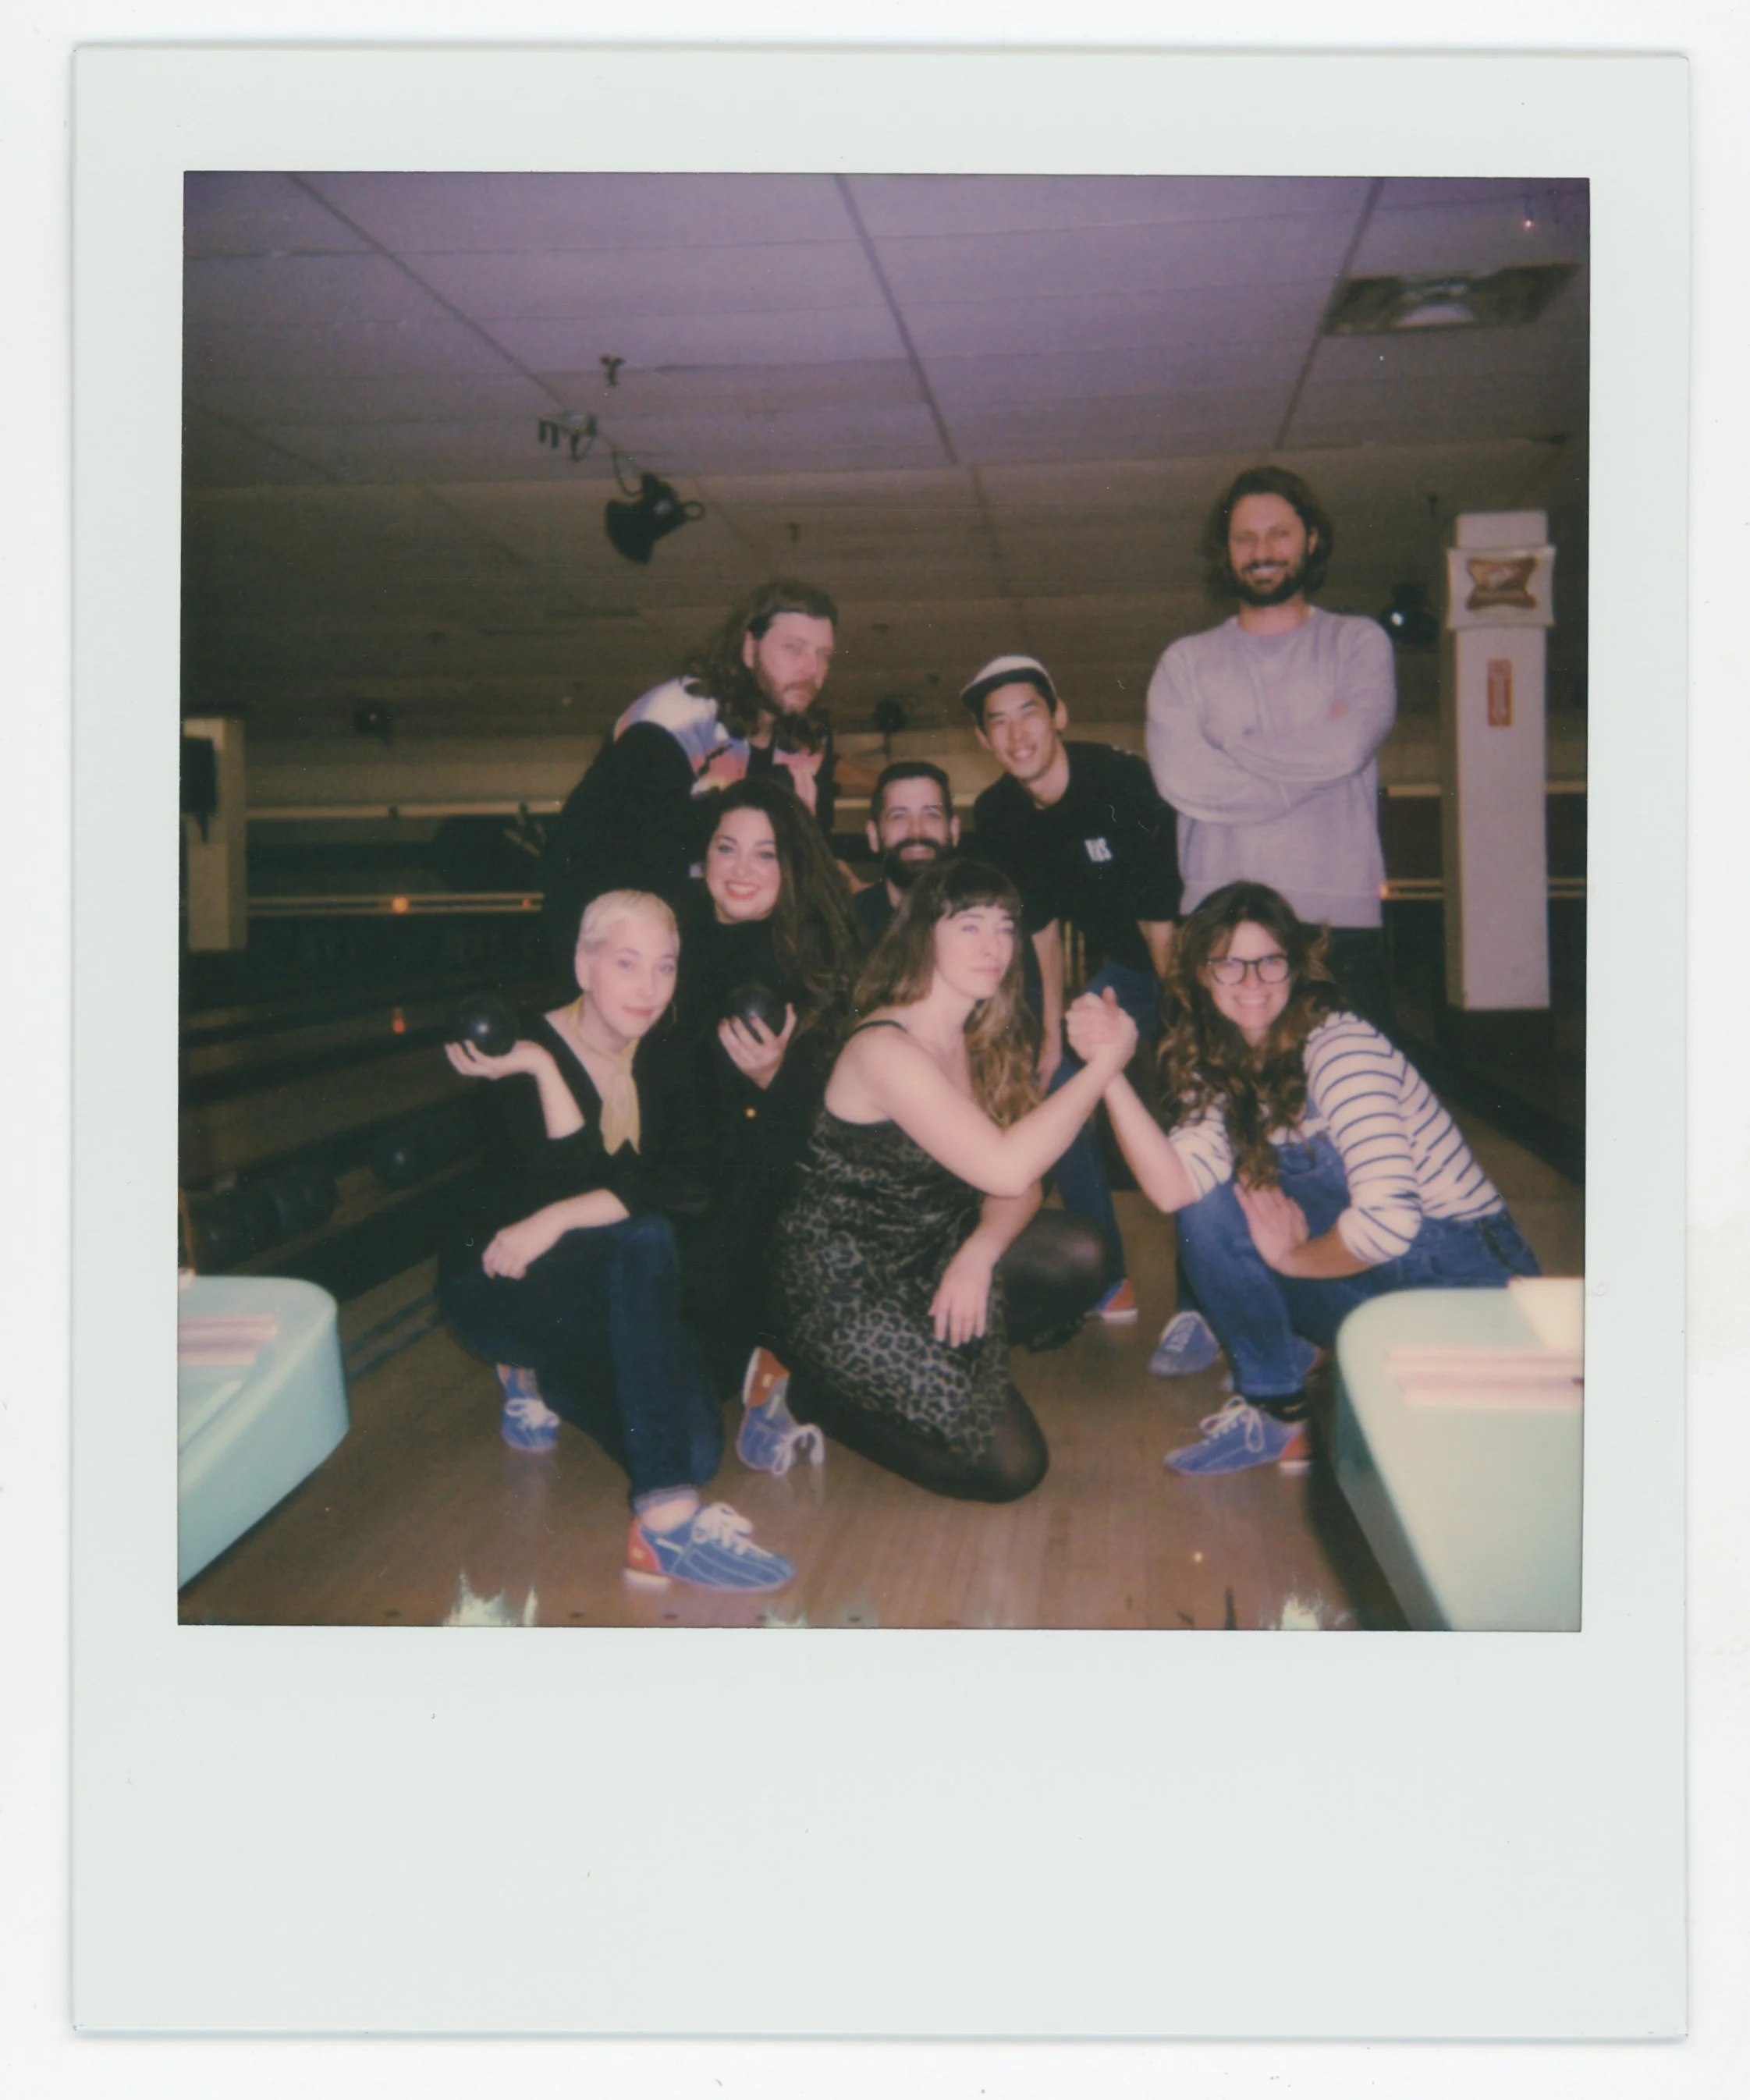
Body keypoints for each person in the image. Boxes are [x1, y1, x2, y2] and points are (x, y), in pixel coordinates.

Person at [1065, 880, 1541, 1478]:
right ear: (1199, 976)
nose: (1252, 984)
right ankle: (1274, 1409)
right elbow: (1172, 1189)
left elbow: (1389, 1227)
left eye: (1268, 961)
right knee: (1206, 1209)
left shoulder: (1342, 1048)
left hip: (1465, 1287)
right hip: (1362, 1282)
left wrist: (1292, 1262)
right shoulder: (1214, 1067)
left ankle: (1318, 1342)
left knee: (1469, 1470)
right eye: (1228, 965)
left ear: (1295, 966)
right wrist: (1107, 1070)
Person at [436, 889, 794, 1594]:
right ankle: (664, 1523)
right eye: (627, 963)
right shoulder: (512, 1050)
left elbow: (687, 1184)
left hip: (601, 1298)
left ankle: (547, 1379)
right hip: (504, 1288)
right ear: (583, 964)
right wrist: (542, 1070)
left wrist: (562, 1217)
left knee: (693, 1447)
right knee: (643, 1237)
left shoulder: (674, 1060)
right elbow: (553, 1197)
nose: (648, 987)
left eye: (664, 967)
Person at [762, 860, 1138, 1504]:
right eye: (969, 926)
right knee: (1011, 1468)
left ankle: (945, 1354)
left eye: (1004, 928)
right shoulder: (885, 1049)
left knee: (1085, 1253)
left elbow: (1023, 1182)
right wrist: (1102, 1069)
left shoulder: (974, 1034)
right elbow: (1007, 1167)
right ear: (923, 937)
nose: (993, 946)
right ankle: (808, 1392)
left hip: (932, 1254)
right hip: (845, 1294)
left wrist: (979, 1252)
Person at [964, 653, 1183, 1325]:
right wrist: (1052, 1030)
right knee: (1060, 1092)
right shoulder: (999, 811)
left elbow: (1160, 919)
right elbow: (1041, 930)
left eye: (1028, 711)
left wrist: (1186, 1025)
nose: (1015, 733)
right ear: (983, 740)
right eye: (996, 722)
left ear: (1058, 715)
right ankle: (1109, 1279)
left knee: (1190, 1108)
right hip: (1122, 963)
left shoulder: (1121, 782)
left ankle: (1201, 1306)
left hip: (1185, 960)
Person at [1145, 466, 1398, 1035]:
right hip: (1219, 923)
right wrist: (1313, 764)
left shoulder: (1357, 643)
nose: (1262, 551)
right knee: (1223, 1111)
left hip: (1338, 923)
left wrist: (1233, 744)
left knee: (1356, 1112)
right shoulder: (1184, 663)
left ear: (1310, 539)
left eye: (1278, 533)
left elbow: (1346, 745)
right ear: (1225, 552)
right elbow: (1185, 781)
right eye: (1244, 539)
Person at [540, 578, 877, 972]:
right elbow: (635, 865)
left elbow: (807, 863)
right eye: (793, 649)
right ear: (749, 650)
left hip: (716, 924)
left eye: (824, 655)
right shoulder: (672, 723)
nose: (812, 669)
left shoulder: (809, 742)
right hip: (607, 919)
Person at [662, 777, 863, 1431]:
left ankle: (772, 1356)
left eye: (765, 853)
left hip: (769, 1205)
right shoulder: (665, 948)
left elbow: (839, 1132)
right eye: (726, 848)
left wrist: (780, 1076)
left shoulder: (817, 960)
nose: (741, 869)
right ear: (705, 858)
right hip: (674, 1197)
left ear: (792, 864)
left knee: (700, 1384)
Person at [852, 760, 960, 946]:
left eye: (931, 815)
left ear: (954, 830)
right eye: (899, 817)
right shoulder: (845, 927)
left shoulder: (993, 919)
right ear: (873, 836)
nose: (916, 832)